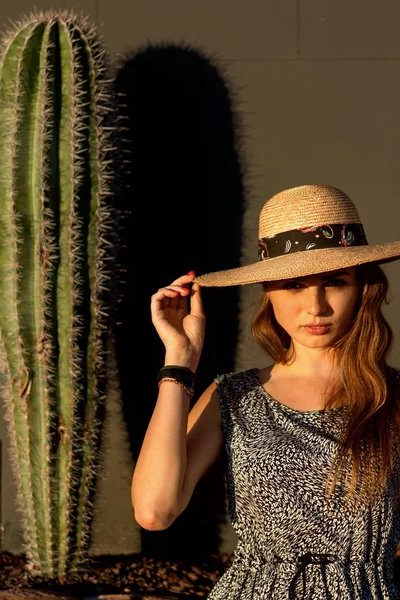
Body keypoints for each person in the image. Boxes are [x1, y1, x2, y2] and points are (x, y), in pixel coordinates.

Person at [131, 184, 400, 599]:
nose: (317, 306)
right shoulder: (234, 397)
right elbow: (154, 511)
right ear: (268, 291)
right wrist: (179, 360)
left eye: (335, 281)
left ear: (363, 288)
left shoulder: (394, 397)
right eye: (294, 284)